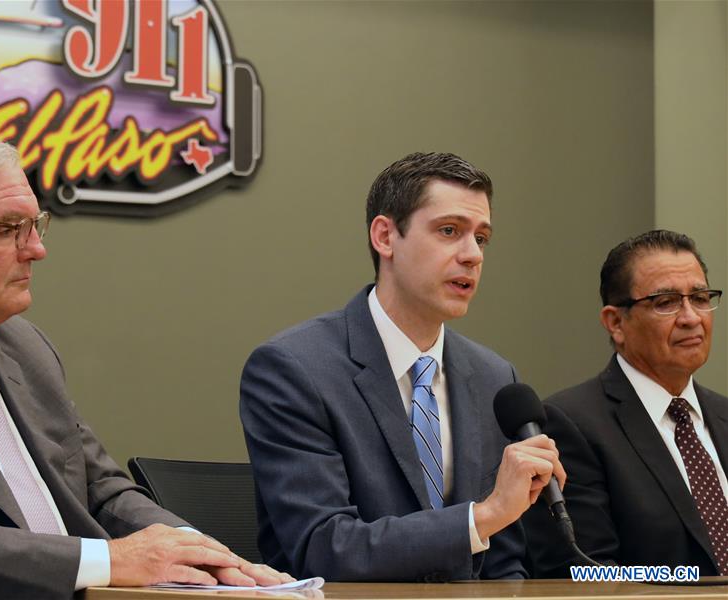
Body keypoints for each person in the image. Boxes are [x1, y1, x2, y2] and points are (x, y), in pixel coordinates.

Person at [0, 131, 290, 599]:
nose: (35, 249)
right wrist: (111, 561)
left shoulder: (21, 345)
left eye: (35, 226)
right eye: (9, 230)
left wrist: (204, 556)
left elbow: (102, 491)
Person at [239, 152, 565, 581]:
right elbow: (325, 547)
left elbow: (503, 562)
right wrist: (482, 517)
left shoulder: (493, 378)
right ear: (385, 237)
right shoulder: (294, 369)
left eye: (481, 238)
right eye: (450, 231)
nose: (473, 255)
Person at [523, 230, 727, 577]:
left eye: (700, 297)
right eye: (666, 302)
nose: (692, 317)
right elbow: (585, 573)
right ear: (616, 322)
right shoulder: (570, 423)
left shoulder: (722, 414)